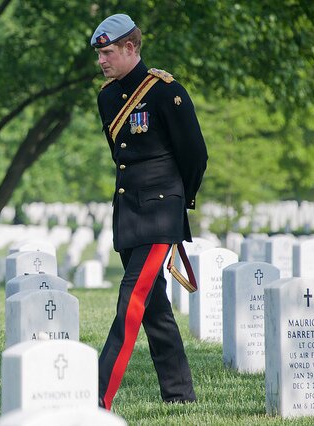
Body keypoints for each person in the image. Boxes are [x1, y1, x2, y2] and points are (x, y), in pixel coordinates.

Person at [90, 13, 208, 410]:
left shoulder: (165, 91)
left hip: (160, 213)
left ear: (130, 48)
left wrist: (178, 204)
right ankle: (179, 395)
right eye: (100, 54)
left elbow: (194, 154)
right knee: (154, 309)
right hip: (129, 212)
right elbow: (120, 158)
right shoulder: (107, 97)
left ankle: (96, 399)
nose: (102, 61)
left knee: (131, 301)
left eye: (108, 52)